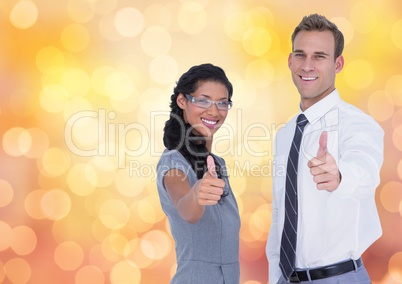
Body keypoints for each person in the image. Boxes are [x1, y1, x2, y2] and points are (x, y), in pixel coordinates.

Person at [266, 14, 384, 283]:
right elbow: (280, 213)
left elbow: (364, 173)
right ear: (290, 60)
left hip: (338, 277)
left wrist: (340, 177)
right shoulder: (285, 134)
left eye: (319, 56)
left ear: (337, 63)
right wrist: (275, 276)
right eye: (300, 55)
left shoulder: (358, 125)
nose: (307, 65)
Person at [156, 63, 240, 283]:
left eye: (222, 103)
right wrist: (197, 193)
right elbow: (187, 209)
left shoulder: (217, 165)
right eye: (203, 100)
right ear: (182, 101)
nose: (214, 111)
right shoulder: (173, 163)